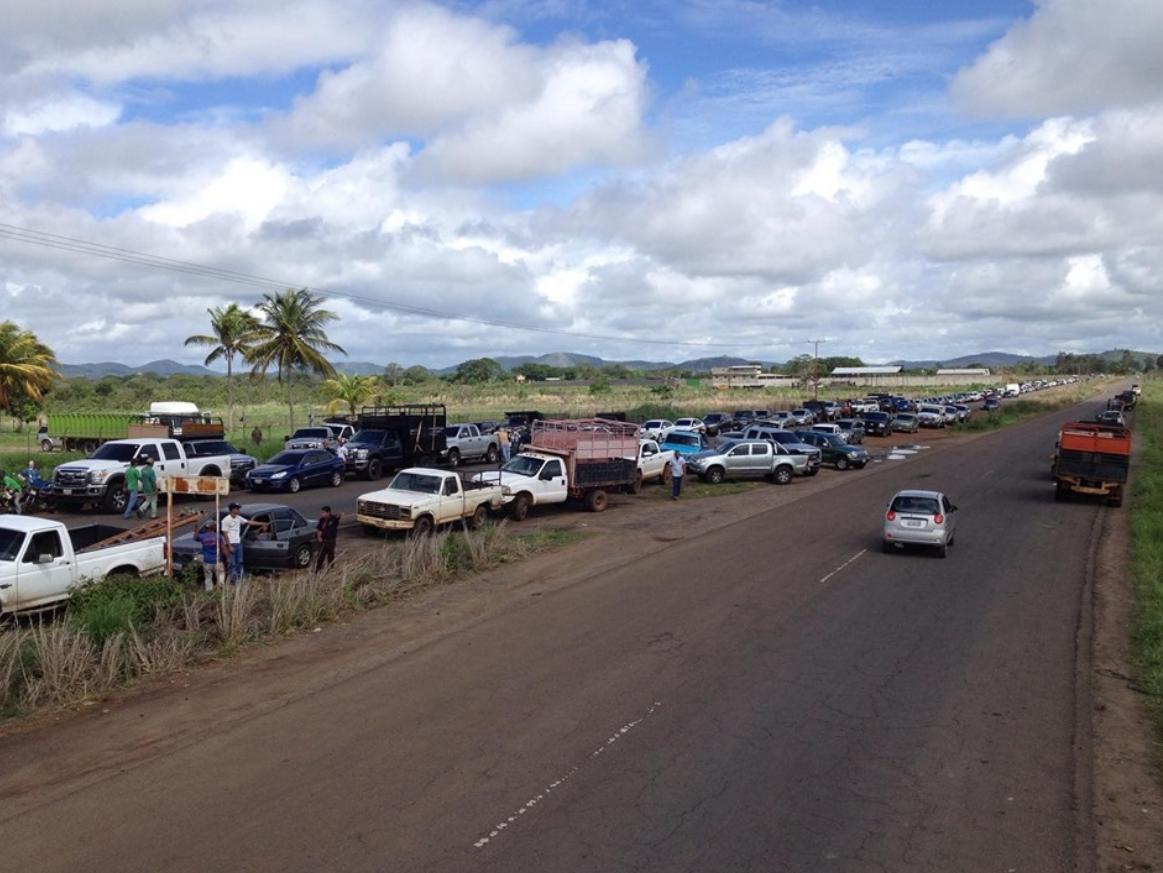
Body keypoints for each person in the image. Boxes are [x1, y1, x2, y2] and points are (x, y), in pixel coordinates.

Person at [220, 502, 268, 583]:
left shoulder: (238, 518)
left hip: (238, 543)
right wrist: (229, 546)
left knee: (240, 562)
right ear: (233, 510)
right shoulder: (226, 520)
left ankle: (241, 579)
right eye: (237, 508)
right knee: (232, 563)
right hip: (231, 544)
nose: (239, 510)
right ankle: (233, 581)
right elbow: (225, 534)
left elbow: (249, 522)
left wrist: (262, 523)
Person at [195, 520, 228, 592]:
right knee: (221, 575)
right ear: (214, 527)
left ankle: (209, 592)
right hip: (217, 561)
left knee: (208, 578)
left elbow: (196, 537)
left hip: (207, 561)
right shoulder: (219, 536)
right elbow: (223, 548)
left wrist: (196, 528)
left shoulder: (202, 537)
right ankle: (220, 590)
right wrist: (228, 558)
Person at [314, 505, 340, 572]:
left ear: (328, 513)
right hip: (323, 541)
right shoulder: (321, 520)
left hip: (330, 541)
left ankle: (330, 570)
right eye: (322, 512)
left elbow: (337, 517)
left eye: (324, 512)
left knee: (330, 556)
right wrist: (318, 537)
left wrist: (338, 516)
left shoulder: (333, 519)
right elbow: (319, 529)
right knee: (320, 556)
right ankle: (318, 570)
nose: (322, 514)